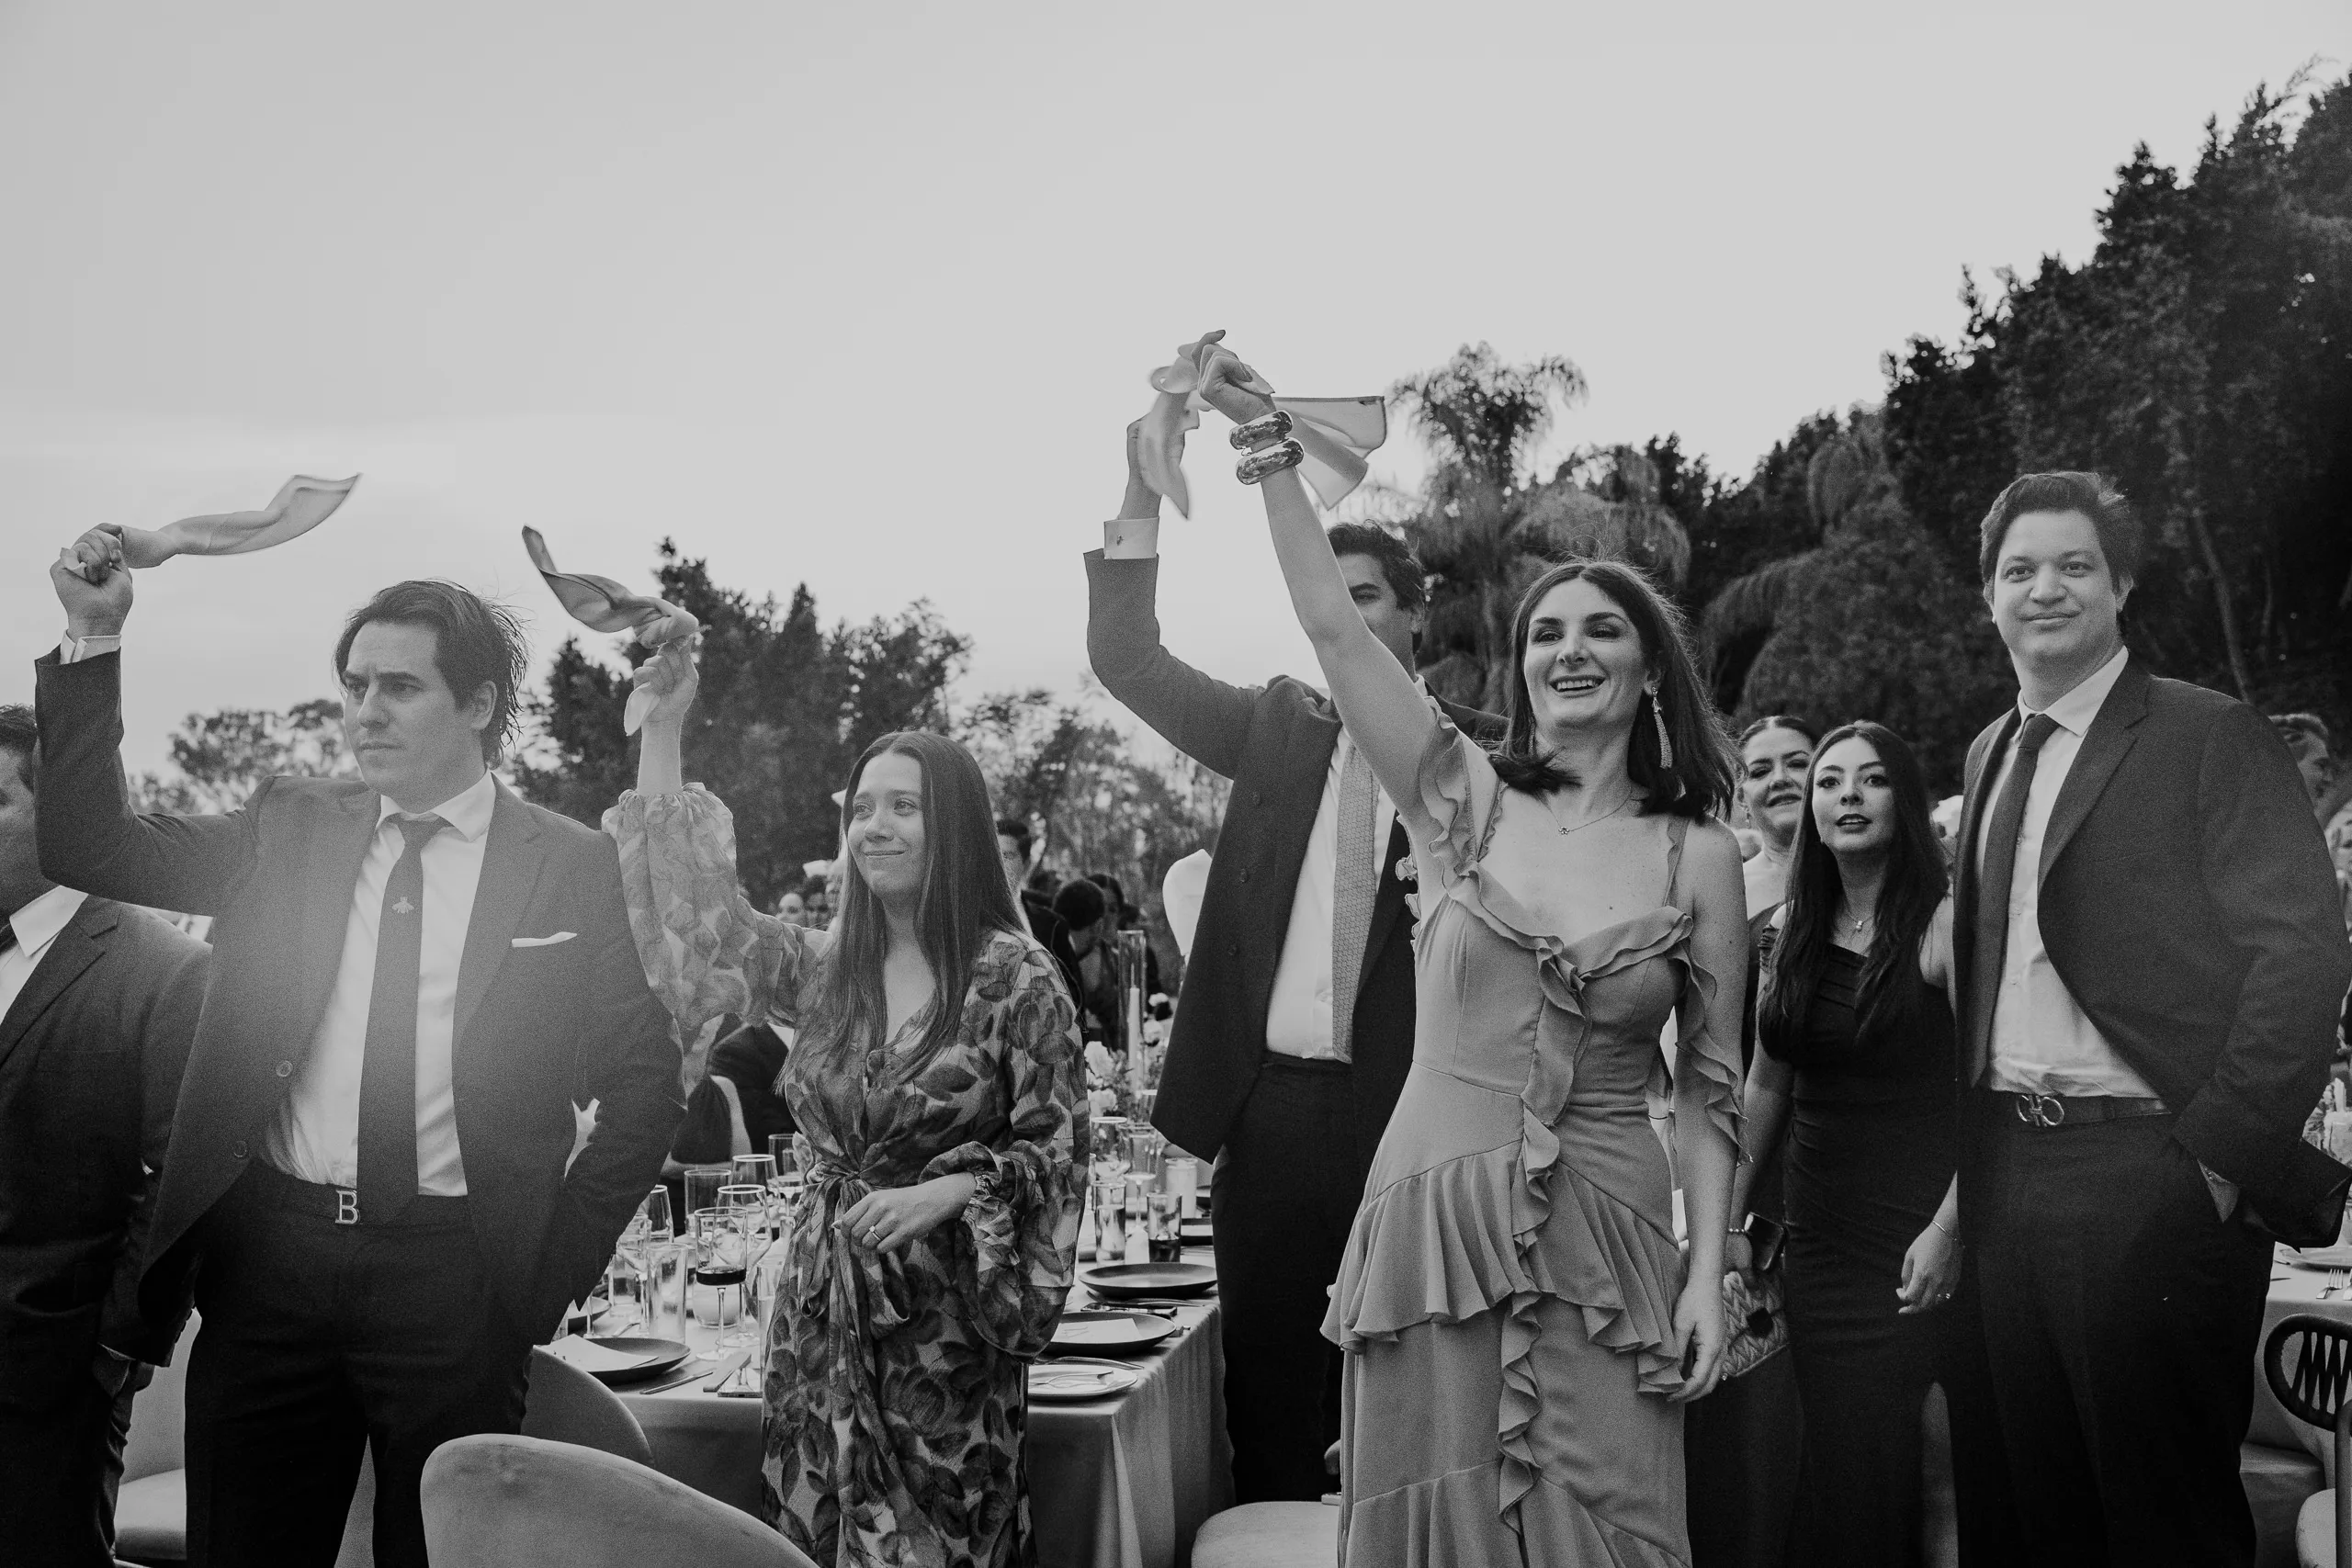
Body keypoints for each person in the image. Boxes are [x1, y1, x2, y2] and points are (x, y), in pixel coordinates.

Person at [1189, 345, 1748, 1559]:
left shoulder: (1700, 854)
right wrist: (1269, 448)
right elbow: (1337, 633)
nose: (1570, 649)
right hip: (1438, 1216)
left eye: (1603, 629)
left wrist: (1709, 1271)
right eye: (1546, 633)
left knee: (1610, 1521)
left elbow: (1714, 1093)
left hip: (1610, 1225)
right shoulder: (1460, 801)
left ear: (1650, 666)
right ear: (1522, 668)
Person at [34, 549, 684, 1568]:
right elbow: (91, 847)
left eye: (400, 687)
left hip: (457, 1282)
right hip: (269, 1271)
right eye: (354, 685)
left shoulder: (570, 864)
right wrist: (95, 634)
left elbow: (645, 1086)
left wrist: (545, 1271)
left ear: (479, 704)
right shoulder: (288, 824)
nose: (365, 711)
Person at [1086, 423, 1501, 1504]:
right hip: (1266, 1118)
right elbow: (1126, 659)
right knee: (1268, 1404)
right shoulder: (1275, 728)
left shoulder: (1481, 761)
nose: (1345, 619)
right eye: (1333, 598)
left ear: (1413, 616)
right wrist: (1138, 485)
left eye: (1366, 597)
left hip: (1414, 1121)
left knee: (1409, 1400)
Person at [608, 645, 1085, 1566]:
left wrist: (951, 1189)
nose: (875, 827)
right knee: (812, 1534)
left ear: (955, 826)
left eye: (904, 806)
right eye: (862, 808)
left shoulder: (1016, 977)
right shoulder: (826, 967)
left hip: (945, 1330)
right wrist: (663, 729)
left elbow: (1058, 1152)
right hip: (818, 1313)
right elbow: (694, 919)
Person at [1952, 472, 2352, 1567]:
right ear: (1987, 595)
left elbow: (2301, 954)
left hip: (2153, 1175)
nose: (2045, 589)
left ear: (2120, 585)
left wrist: (2214, 1163)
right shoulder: (1989, 754)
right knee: (2035, 1516)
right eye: (2019, 569)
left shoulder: (2206, 733)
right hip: (2005, 1175)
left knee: (2161, 1522)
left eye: (2073, 565)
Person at [1725, 721, 1976, 1564]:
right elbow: (1766, 1085)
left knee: (1938, 1467)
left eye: (1871, 779)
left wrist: (1948, 1230)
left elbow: (1984, 1097)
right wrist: (1726, 1220)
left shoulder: (1945, 927)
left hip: (1923, 1238)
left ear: (1904, 801)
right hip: (1822, 1242)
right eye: (1830, 782)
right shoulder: (1786, 929)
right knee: (1845, 1465)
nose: (1848, 796)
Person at [0, 705, 209, 1566]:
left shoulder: (166, 969)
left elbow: (177, 1181)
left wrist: (122, 1343)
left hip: (49, 1372)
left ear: (59, 816)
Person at [1736, 716, 1816, 917]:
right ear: (1741, 797)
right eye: (1760, 772)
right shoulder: (1726, 892)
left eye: (1797, 764)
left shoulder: (1868, 877)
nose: (1780, 779)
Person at [998, 817, 1083, 998]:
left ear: (1026, 864)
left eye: (1006, 856)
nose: (997, 863)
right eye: (992, 855)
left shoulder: (1053, 925)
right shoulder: (965, 922)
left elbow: (1075, 995)